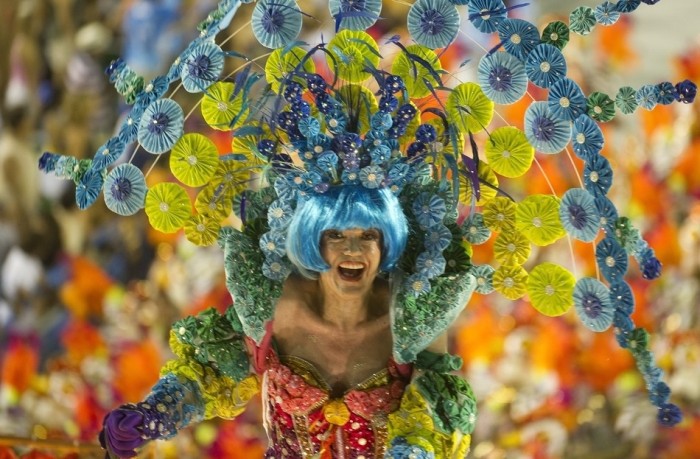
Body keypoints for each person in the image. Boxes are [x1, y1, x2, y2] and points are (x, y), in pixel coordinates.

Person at [99, 184, 478, 458]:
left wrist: (411, 453)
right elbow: (209, 372)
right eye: (335, 235)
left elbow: (433, 417)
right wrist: (154, 415)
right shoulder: (271, 306)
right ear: (313, 242)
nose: (352, 249)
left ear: (386, 245)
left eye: (368, 235)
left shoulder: (413, 315)